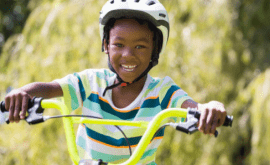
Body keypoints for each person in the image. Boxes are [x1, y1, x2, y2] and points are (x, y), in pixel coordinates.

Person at [4, 0, 227, 164]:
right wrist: (22, 94)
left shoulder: (162, 91)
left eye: (140, 46)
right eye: (118, 45)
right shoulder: (91, 82)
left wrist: (210, 108)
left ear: (154, 51)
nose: (128, 55)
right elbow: (51, 88)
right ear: (105, 45)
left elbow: (192, 106)